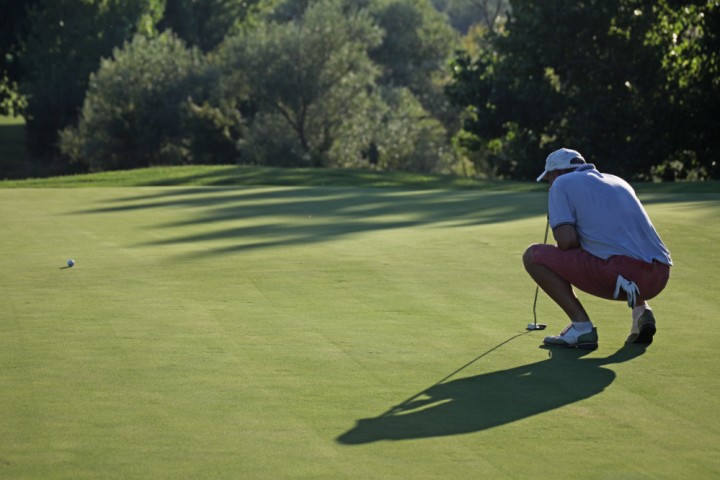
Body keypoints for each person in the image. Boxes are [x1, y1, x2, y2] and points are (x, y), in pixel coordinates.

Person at [523, 148, 672, 349]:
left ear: (556, 173)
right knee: (612, 247)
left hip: (625, 274)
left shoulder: (560, 184)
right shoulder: (618, 181)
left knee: (533, 256)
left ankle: (581, 327)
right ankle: (641, 310)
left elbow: (566, 242)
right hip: (659, 275)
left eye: (549, 178)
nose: (550, 183)